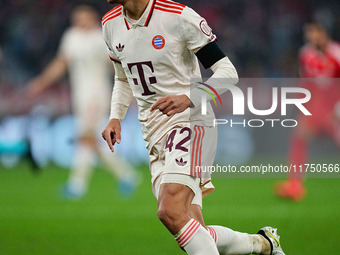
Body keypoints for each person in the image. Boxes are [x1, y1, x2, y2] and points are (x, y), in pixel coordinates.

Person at [101, 0, 285, 254]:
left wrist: (190, 97)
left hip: (191, 122)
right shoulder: (110, 23)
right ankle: (264, 244)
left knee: (169, 210)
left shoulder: (179, 17)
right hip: (153, 133)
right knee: (191, 226)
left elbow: (227, 72)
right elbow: (122, 78)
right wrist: (114, 117)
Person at [27, 3, 138, 198]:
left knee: (85, 136)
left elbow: (116, 65)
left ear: (92, 17)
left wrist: (133, 86)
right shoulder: (71, 37)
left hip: (97, 94)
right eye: (77, 18)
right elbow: (61, 63)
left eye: (84, 17)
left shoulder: (101, 36)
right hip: (79, 94)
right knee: (91, 139)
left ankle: (78, 185)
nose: (80, 22)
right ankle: (126, 175)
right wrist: (41, 82)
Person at [275, 22, 340, 201]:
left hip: (333, 107)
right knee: (299, 137)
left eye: (314, 32)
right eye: (308, 33)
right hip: (315, 106)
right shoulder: (306, 53)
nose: (311, 36)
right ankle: (295, 185)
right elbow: (307, 82)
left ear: (324, 33)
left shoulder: (336, 53)